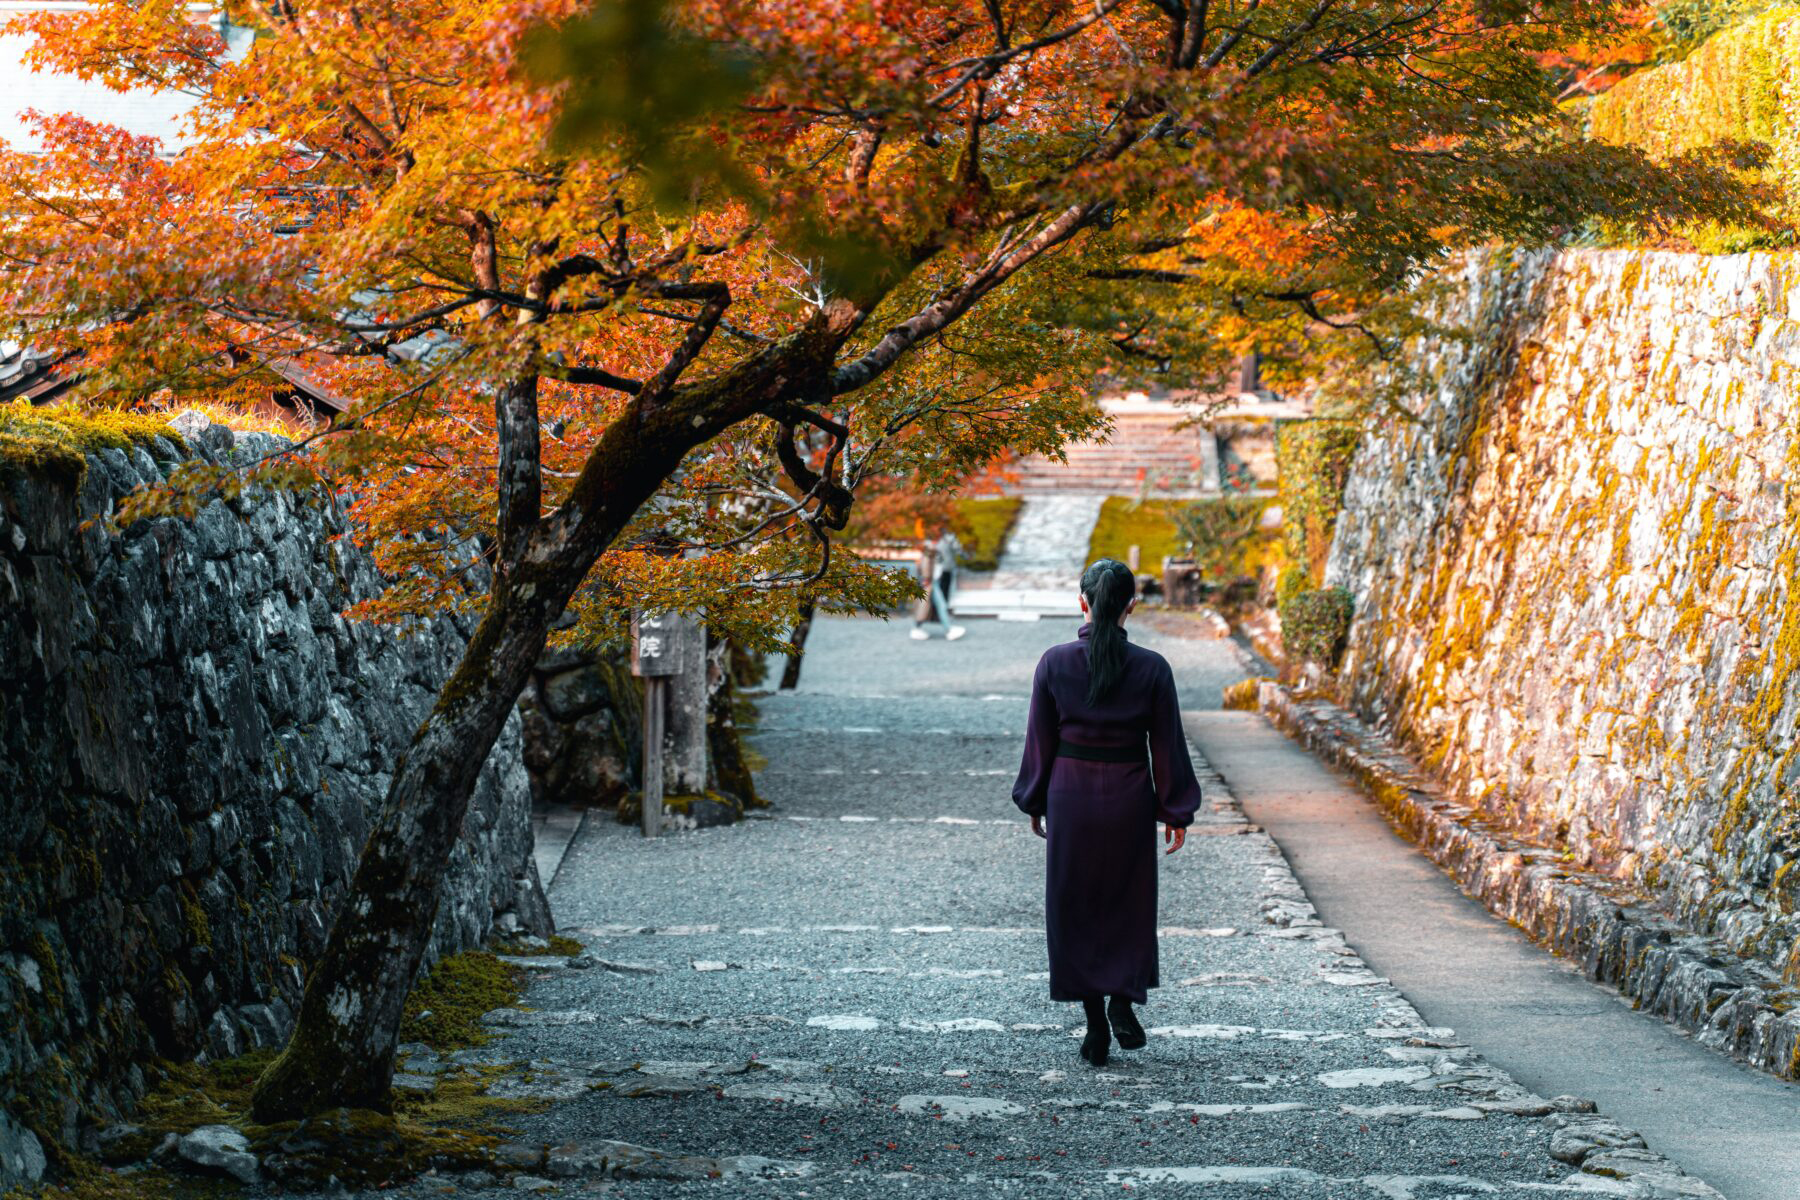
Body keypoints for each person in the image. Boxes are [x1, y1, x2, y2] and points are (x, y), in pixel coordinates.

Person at [1010, 558, 1202, 1066]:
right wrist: (1175, 809)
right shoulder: (1152, 668)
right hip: (1128, 795)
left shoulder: (1054, 663)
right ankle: (1122, 1002)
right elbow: (1167, 745)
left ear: (1083, 603)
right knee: (1128, 904)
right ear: (1131, 606)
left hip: (1069, 794)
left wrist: (1034, 796)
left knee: (1074, 905)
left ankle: (1095, 1025)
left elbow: (1040, 740)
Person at [910, 526, 967, 641]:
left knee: (929, 605)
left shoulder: (930, 546)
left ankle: (917, 628)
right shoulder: (930, 546)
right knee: (940, 605)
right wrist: (926, 578)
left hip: (931, 580)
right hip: (930, 581)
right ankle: (948, 630)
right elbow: (926, 563)